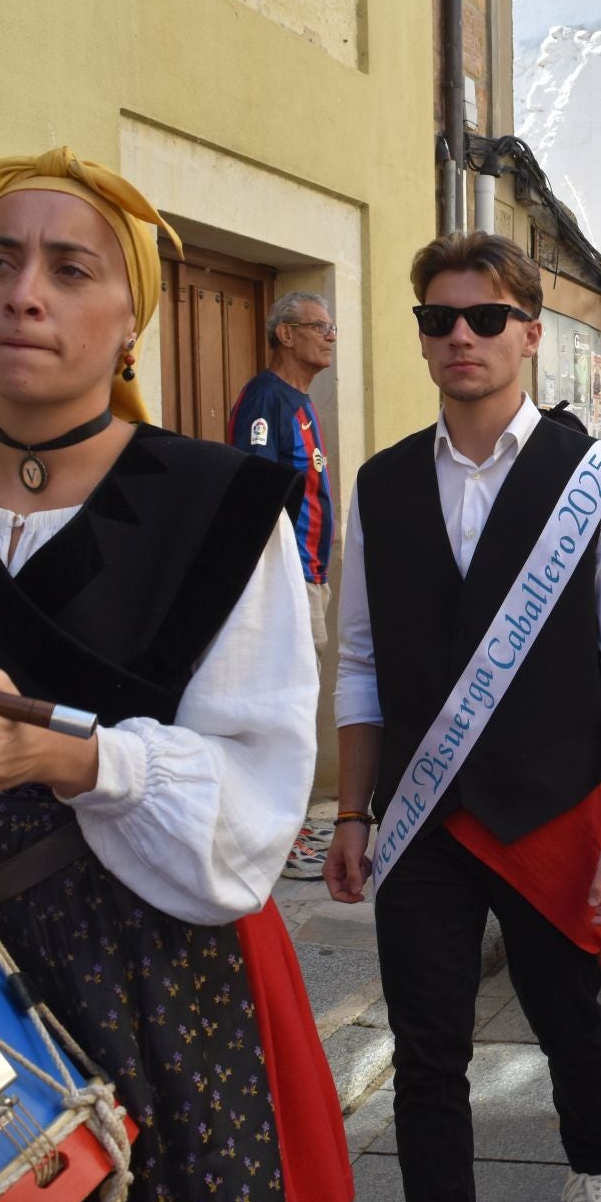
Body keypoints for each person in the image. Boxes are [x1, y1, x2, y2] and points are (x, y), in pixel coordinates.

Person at [0, 147, 351, 1202]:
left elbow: (260, 783)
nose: (25, 293)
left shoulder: (222, 507)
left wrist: (68, 756)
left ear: (131, 315)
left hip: (147, 947)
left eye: (69, 269)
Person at [324, 231, 601, 1202]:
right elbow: (359, 663)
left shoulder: (600, 477)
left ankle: (595, 1163)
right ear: (423, 337)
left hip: (553, 800)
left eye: (484, 318)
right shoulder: (379, 483)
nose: (459, 336)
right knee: (428, 1049)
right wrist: (352, 813)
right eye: (439, 319)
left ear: (529, 334)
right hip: (422, 817)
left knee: (569, 1019)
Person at [230, 290, 339, 879]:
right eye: (318, 326)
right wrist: (273, 581)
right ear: (285, 334)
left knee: (298, 703)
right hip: (285, 577)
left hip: (309, 576)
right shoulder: (266, 399)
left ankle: (289, 824)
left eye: (332, 327)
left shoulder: (301, 400)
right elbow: (256, 493)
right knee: (283, 707)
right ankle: (276, 836)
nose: (329, 335)